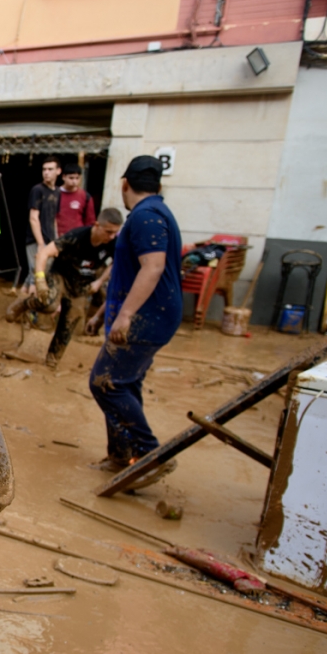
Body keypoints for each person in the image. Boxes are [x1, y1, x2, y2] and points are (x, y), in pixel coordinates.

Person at [88, 156, 181, 488]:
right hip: (149, 316)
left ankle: (148, 454)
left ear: (124, 183)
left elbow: (152, 268)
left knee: (103, 382)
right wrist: (102, 315)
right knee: (124, 383)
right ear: (158, 184)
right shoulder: (154, 213)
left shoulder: (145, 217)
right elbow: (127, 270)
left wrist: (125, 315)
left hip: (145, 319)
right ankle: (120, 455)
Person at [5, 207, 123, 368]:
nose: (111, 236)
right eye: (108, 232)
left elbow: (116, 264)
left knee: (70, 322)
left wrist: (99, 281)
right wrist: (40, 280)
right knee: (49, 304)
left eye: (114, 233)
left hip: (81, 285)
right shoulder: (77, 236)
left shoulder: (114, 243)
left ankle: (52, 361)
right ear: (97, 225)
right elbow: (44, 253)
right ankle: (24, 303)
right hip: (60, 276)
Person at [27, 156, 62, 292]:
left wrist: (56, 240)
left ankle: (19, 307)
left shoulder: (57, 192)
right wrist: (40, 243)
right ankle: (32, 311)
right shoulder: (37, 190)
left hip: (49, 240)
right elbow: (33, 218)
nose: (46, 172)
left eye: (50, 169)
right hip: (35, 240)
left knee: (41, 272)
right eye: (44, 169)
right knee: (35, 275)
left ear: (58, 171)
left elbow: (54, 219)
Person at [56, 163, 95, 237]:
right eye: (71, 178)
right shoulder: (54, 194)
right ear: (63, 177)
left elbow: (90, 221)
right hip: (57, 237)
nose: (74, 181)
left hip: (77, 238)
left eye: (77, 178)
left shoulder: (85, 196)